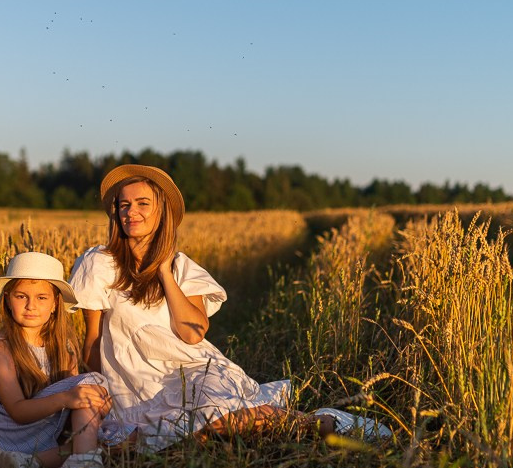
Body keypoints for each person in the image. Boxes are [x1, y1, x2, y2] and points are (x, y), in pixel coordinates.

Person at [68, 164, 390, 451]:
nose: (131, 212)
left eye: (142, 204)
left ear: (161, 212)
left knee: (221, 421)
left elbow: (193, 334)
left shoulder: (181, 267)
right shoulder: (99, 263)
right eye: (124, 205)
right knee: (189, 434)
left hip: (189, 372)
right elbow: (93, 341)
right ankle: (299, 427)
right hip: (132, 387)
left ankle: (320, 424)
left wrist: (165, 272)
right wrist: (101, 393)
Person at [0, 251, 115, 468]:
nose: (31, 306)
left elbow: (73, 407)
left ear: (56, 303)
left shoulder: (64, 346)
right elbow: (17, 412)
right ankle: (85, 465)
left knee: (106, 435)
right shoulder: (0, 349)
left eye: (42, 298)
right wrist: (72, 397)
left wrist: (97, 405)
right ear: (7, 299)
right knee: (90, 382)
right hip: (12, 431)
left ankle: (26, 464)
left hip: (43, 428)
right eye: (21, 296)